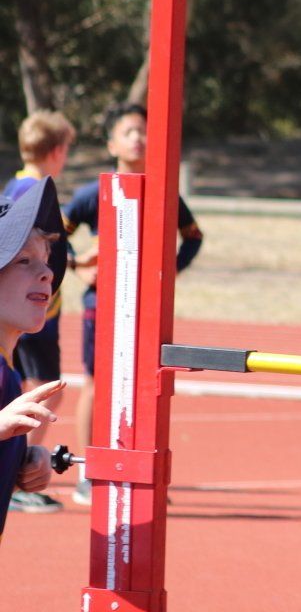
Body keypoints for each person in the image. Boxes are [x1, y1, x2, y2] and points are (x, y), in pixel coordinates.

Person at [62, 103, 204, 506]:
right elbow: (58, 234)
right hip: (102, 305)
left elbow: (193, 236)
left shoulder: (163, 192)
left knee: (145, 387)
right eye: (129, 131)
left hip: (147, 307)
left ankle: (140, 474)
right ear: (111, 143)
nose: (138, 138)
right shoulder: (93, 194)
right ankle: (89, 473)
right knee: (96, 383)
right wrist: (76, 266)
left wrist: (171, 272)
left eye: (144, 130)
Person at [5, 112, 75, 513]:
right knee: (43, 390)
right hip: (41, 320)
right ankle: (20, 480)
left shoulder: (14, 186)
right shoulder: (35, 196)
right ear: (57, 151)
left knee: (26, 387)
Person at [0, 176, 69, 541]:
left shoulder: (7, 374)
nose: (46, 271)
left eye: (45, 260)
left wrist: (20, 469)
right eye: (24, 260)